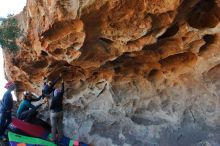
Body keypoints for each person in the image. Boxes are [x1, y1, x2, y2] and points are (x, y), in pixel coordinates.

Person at [50, 79, 64, 143]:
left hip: (54, 113)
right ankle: (60, 138)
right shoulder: (61, 96)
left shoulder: (53, 99)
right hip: (60, 112)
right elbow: (62, 90)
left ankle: (53, 139)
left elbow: (51, 107)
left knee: (54, 127)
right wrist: (62, 83)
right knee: (60, 126)